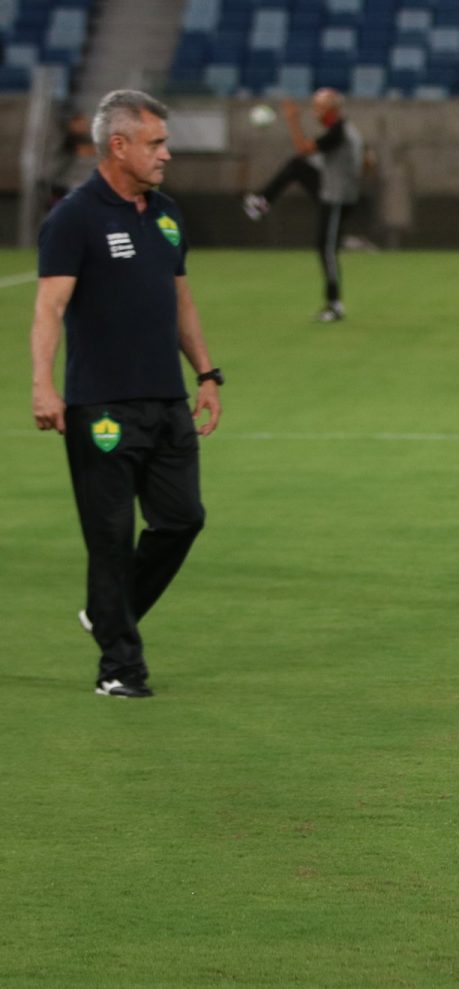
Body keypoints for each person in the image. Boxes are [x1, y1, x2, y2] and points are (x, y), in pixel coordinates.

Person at [30, 89, 223, 699]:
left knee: (183, 519)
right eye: (156, 143)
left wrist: (206, 374)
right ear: (118, 146)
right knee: (110, 540)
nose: (166, 154)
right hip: (102, 408)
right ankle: (119, 669)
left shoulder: (166, 213)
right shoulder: (74, 218)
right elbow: (49, 307)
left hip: (166, 401)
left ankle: (109, 612)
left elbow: (180, 298)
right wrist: (43, 384)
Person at [242, 88, 365, 322]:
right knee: (297, 166)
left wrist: (292, 120)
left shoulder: (338, 132)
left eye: (319, 107)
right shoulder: (344, 130)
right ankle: (261, 204)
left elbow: (303, 148)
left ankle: (335, 305)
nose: (315, 112)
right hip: (331, 190)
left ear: (331, 110)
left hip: (337, 197)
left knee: (327, 248)